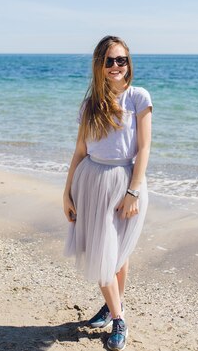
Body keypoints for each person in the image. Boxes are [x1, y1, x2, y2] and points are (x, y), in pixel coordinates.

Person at [63, 35, 152, 351]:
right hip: (91, 182)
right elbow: (79, 151)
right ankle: (119, 319)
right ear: (99, 66)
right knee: (101, 254)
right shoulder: (90, 105)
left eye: (122, 60)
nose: (116, 66)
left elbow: (144, 149)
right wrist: (66, 193)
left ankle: (113, 308)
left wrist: (133, 191)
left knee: (118, 255)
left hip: (124, 182)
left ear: (129, 64)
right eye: (110, 61)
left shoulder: (138, 98)